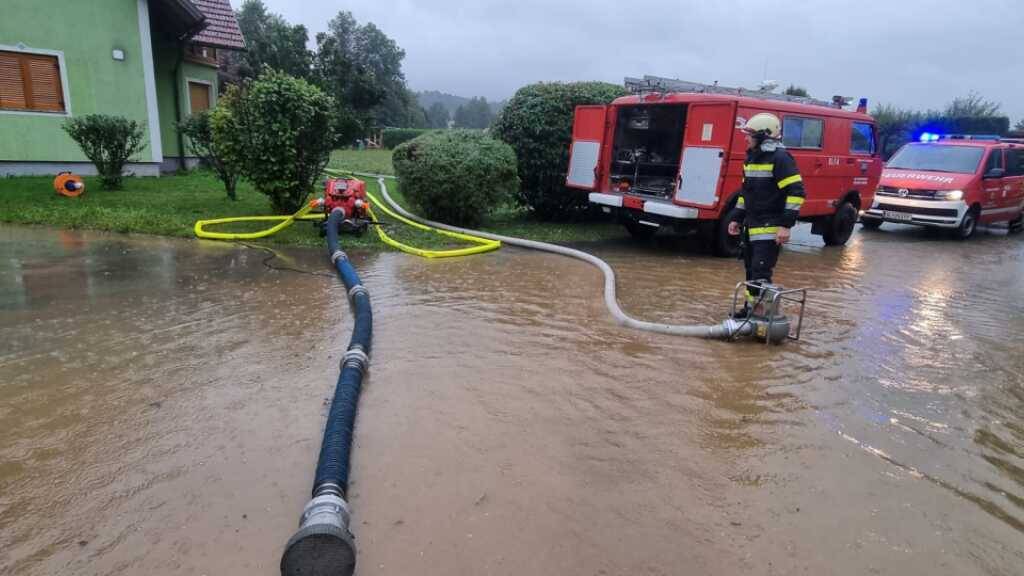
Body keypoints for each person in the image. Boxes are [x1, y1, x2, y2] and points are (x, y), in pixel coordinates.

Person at [727, 112, 805, 318]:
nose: (746, 138)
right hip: (752, 225)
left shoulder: (780, 158)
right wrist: (736, 217)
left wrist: (786, 226)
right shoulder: (751, 157)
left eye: (750, 134)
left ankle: (763, 317)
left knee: (761, 273)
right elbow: (746, 194)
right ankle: (751, 310)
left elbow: (796, 192)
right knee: (751, 272)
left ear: (763, 136)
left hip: (770, 226)